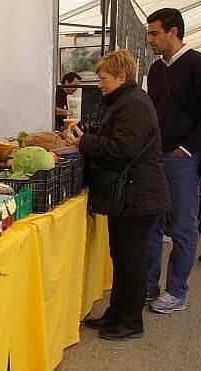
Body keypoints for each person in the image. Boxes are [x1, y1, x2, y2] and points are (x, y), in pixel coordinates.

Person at [73, 49, 169, 340]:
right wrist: (90, 133)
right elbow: (116, 137)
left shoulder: (133, 105)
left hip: (138, 194)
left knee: (131, 260)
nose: (99, 83)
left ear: (121, 77)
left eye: (103, 78)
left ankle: (131, 321)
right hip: (132, 193)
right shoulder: (125, 101)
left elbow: (121, 150)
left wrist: (85, 142)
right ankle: (116, 313)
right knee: (122, 257)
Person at [145, 8, 201, 313]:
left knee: (182, 226)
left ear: (173, 32)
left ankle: (177, 290)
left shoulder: (196, 64)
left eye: (154, 32)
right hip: (157, 156)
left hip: (184, 159)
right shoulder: (156, 70)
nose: (149, 38)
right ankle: (148, 285)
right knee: (153, 223)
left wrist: (188, 149)